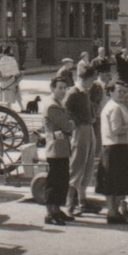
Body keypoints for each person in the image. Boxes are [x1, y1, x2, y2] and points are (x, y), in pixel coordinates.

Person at [96, 80, 128, 227]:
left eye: (124, 91)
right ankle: (113, 212)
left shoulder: (114, 106)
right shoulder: (114, 107)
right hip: (115, 148)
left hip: (113, 147)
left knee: (114, 182)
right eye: (119, 91)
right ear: (110, 92)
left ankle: (113, 212)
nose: (122, 94)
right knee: (117, 182)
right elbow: (116, 129)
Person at [64, 64, 100, 216]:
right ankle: (69, 203)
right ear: (84, 78)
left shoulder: (85, 92)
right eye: (91, 80)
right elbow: (65, 109)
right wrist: (76, 122)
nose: (92, 83)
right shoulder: (73, 92)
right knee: (77, 164)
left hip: (89, 128)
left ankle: (82, 200)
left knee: (88, 164)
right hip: (80, 130)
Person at [41, 74, 75, 226]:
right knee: (55, 181)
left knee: (62, 180)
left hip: (61, 147)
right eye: (59, 88)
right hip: (56, 148)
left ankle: (56, 209)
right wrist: (71, 124)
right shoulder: (52, 105)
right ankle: (50, 213)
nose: (63, 91)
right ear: (52, 88)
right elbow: (67, 126)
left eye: (65, 88)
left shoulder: (58, 103)